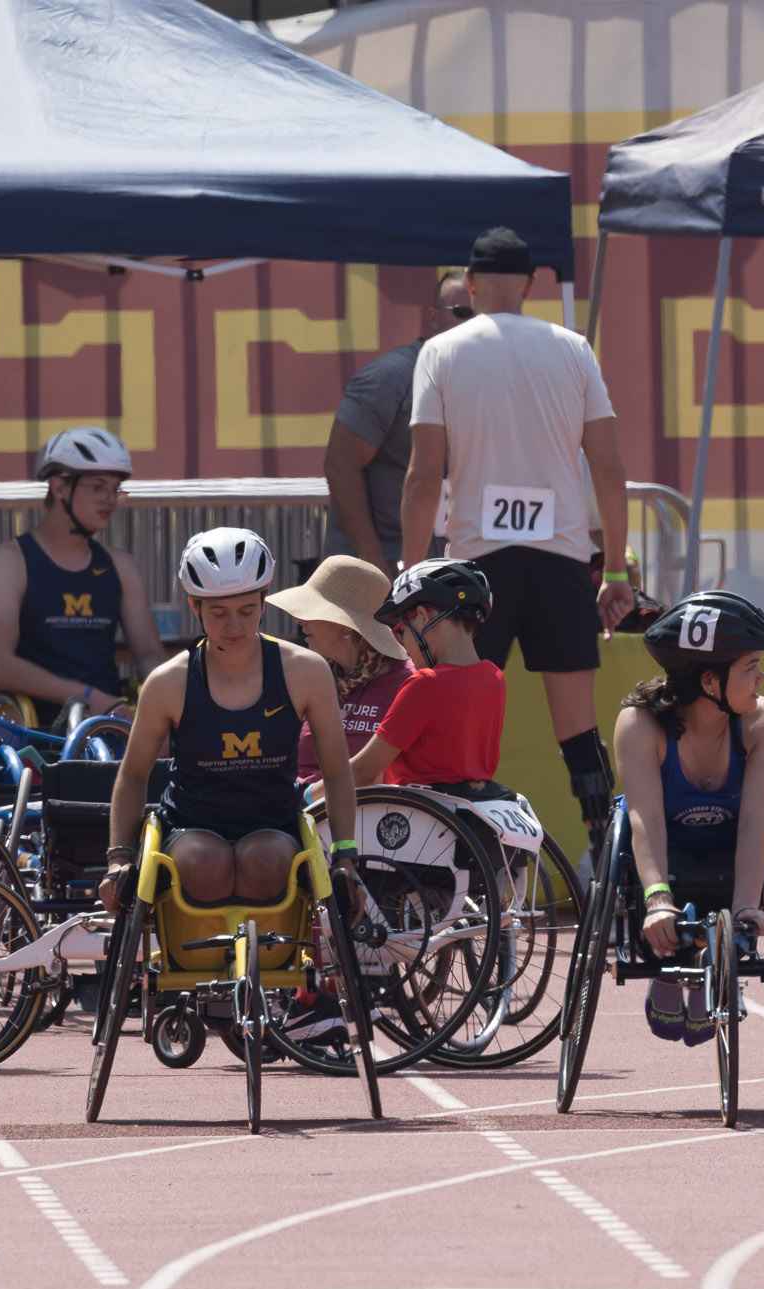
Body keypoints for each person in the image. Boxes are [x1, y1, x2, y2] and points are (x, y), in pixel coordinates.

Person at [402, 226, 628, 851]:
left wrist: (408, 571)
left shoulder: (441, 352)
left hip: (474, 569)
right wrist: (616, 573)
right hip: (560, 559)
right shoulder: (574, 349)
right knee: (579, 732)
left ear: (470, 285)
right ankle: (614, 874)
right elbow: (609, 471)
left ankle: (454, 869)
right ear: (532, 285)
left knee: (455, 723)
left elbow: (424, 477)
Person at [100, 529, 360, 916]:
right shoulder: (168, 682)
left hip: (273, 827)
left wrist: (345, 858)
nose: (234, 626)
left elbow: (337, 771)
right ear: (195, 607)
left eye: (247, 610)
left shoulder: (306, 671)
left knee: (265, 860)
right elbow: (133, 774)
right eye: (219, 613)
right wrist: (118, 859)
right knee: (207, 862)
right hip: (192, 828)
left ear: (264, 601)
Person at [614, 592, 764, 1044]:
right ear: (711, 682)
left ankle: (712, 954)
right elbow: (645, 820)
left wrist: (748, 907)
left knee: (750, 874)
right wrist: (656, 900)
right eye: (751, 666)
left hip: (730, 849)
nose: (763, 676)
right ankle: (672, 965)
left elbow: (756, 822)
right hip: (662, 852)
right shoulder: (638, 723)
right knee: (647, 880)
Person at [0, 427, 168, 722]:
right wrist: (90, 697)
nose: (109, 499)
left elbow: (148, 656)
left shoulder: (121, 565)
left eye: (114, 489)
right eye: (97, 487)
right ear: (59, 487)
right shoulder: (8, 563)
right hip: (34, 732)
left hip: (107, 724)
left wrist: (171, 704)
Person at [322, 270, 473, 571]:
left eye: (482, 316)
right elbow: (339, 463)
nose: (471, 325)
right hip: (379, 572)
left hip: (446, 577)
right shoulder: (388, 379)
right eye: (462, 313)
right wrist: (372, 559)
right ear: (433, 317)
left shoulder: (483, 386)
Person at [351, 560, 508, 792]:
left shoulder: (426, 683)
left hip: (416, 819)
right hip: (470, 815)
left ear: (423, 615)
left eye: (402, 631)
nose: (404, 647)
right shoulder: (495, 678)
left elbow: (363, 771)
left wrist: (305, 794)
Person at [262, 555, 413, 791]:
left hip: (368, 818)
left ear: (346, 626)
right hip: (293, 812)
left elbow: (375, 777)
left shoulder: (407, 685)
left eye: (311, 610)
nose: (299, 620)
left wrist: (305, 797)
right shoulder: (307, 676)